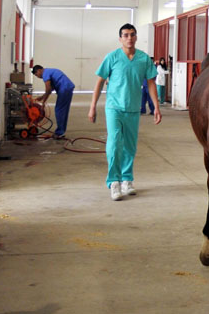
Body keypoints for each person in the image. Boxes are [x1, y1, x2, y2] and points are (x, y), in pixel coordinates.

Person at [88, 23, 161, 201]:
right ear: (120, 38)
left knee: (130, 146)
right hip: (114, 108)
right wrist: (92, 107)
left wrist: (156, 107)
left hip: (133, 109)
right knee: (114, 144)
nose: (129, 38)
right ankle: (114, 181)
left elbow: (151, 83)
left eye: (132, 35)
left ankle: (127, 179)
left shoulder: (144, 59)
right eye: (125, 35)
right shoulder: (112, 57)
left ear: (136, 37)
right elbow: (100, 81)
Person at [32, 64, 76, 139]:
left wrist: (43, 103)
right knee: (63, 111)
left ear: (39, 70)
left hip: (64, 89)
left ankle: (59, 133)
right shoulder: (50, 71)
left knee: (59, 110)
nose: (38, 77)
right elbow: (50, 89)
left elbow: (48, 89)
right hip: (67, 88)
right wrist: (42, 97)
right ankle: (61, 131)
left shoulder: (45, 74)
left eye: (36, 75)